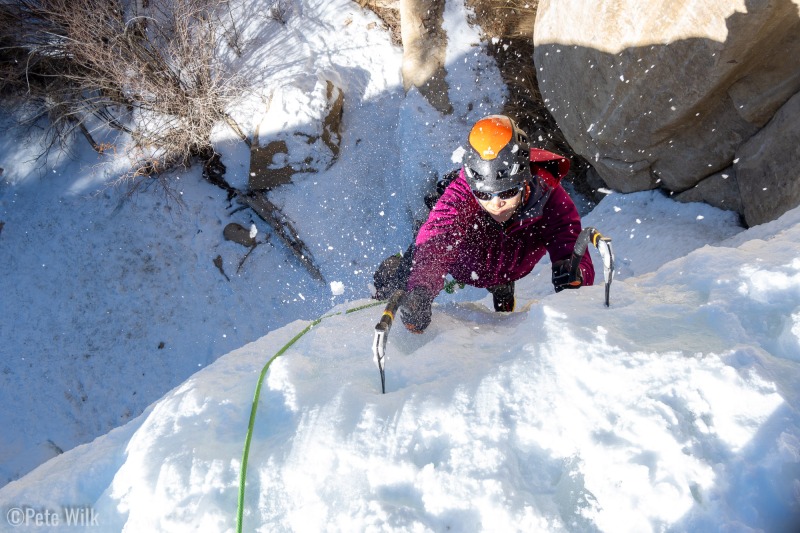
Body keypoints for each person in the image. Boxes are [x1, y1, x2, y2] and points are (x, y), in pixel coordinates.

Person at [373, 114, 594, 333]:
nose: (496, 204)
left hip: (510, 263)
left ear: (524, 179)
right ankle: (397, 272)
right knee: (410, 271)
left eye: (507, 192)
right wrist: (420, 291)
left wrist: (575, 275)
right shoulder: (460, 194)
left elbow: (568, 239)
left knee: (505, 257)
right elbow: (436, 239)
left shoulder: (548, 193)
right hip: (465, 263)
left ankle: (501, 286)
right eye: (484, 194)